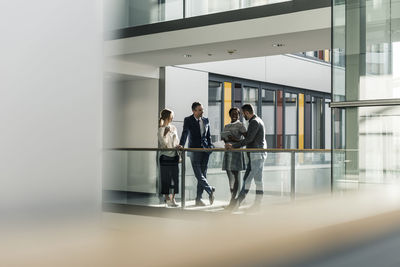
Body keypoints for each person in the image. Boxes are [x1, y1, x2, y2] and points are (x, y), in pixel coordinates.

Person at [225, 104, 267, 209]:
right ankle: (257, 204)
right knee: (258, 180)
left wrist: (233, 146)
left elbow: (249, 139)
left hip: (256, 155)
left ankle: (237, 203)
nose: (243, 116)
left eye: (243, 113)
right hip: (259, 155)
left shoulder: (254, 122)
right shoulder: (259, 120)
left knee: (247, 179)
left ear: (247, 113)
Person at [179, 102, 215, 206]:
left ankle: (198, 199)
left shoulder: (206, 120)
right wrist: (181, 144)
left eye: (202, 110)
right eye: (199, 110)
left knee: (203, 175)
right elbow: (185, 133)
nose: (202, 112)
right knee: (198, 174)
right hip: (194, 151)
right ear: (194, 111)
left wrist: (210, 146)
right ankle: (210, 190)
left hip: (206, 151)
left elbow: (208, 136)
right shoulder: (188, 120)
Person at [222, 107, 247, 208]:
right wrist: (224, 140)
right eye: (232, 114)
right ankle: (232, 198)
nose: (234, 115)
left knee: (236, 176)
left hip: (236, 153)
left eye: (236, 114)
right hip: (228, 153)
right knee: (230, 177)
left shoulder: (240, 125)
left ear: (239, 115)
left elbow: (247, 139)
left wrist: (235, 139)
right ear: (229, 115)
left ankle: (234, 200)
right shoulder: (226, 126)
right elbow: (224, 138)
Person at [158, 108, 180, 207]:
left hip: (174, 156)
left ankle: (173, 198)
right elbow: (163, 145)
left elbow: (176, 141)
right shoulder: (161, 129)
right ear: (167, 117)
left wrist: (178, 147)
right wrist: (165, 134)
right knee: (165, 179)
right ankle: (167, 198)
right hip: (165, 157)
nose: (172, 118)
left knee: (176, 179)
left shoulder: (174, 128)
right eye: (171, 116)